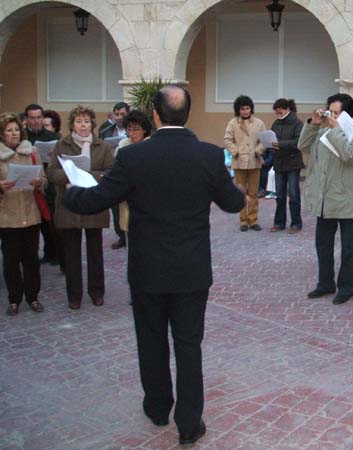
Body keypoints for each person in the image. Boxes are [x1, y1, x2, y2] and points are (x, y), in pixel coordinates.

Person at [63, 85, 245, 446]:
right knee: (189, 345)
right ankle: (189, 423)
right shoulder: (209, 156)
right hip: (191, 270)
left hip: (148, 269)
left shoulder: (133, 157)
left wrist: (71, 193)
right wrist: (237, 191)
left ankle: (158, 407)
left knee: (151, 340)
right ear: (187, 114)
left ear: (156, 116)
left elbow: (97, 199)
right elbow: (233, 203)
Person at [299, 93, 353, 305]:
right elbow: (303, 146)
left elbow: (349, 155)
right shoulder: (323, 131)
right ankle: (325, 283)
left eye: (336, 113)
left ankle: (347, 287)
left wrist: (336, 129)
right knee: (323, 245)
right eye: (331, 112)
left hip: (346, 199)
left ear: (346, 115)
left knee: (348, 249)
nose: (331, 116)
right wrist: (313, 124)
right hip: (324, 199)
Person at [46, 106, 114, 310]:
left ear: (92, 124)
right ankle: (74, 295)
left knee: (95, 252)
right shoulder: (62, 145)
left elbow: (111, 173)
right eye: (79, 121)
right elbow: (51, 172)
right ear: (72, 124)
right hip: (70, 203)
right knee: (72, 254)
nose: (83, 125)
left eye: (86, 121)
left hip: (94, 203)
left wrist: (88, 176)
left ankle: (97, 292)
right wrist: (69, 175)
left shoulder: (103, 146)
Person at [0, 113, 47, 315]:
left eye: (17, 130)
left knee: (31, 259)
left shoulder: (32, 151)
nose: (14, 133)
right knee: (10, 261)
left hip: (31, 214)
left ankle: (33, 297)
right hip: (7, 216)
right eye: (9, 130)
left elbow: (43, 179)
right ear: (2, 134)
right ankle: (14, 299)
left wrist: (39, 182)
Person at [24, 104, 60, 267]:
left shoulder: (52, 137)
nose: (36, 121)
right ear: (27, 119)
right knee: (33, 225)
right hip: (29, 186)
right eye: (32, 118)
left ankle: (53, 253)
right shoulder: (23, 138)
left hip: (49, 185)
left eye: (39, 117)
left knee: (51, 224)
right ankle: (35, 255)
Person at [224, 95, 266, 231]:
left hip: (254, 161)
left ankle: (253, 220)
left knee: (253, 193)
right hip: (239, 162)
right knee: (240, 193)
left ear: (251, 108)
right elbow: (227, 139)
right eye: (242, 109)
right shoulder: (232, 123)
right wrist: (235, 151)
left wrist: (258, 151)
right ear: (238, 110)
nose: (245, 111)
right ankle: (243, 221)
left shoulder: (259, 123)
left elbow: (264, 140)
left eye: (247, 108)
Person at [114, 110, 153, 237]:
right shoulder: (122, 147)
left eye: (136, 129)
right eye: (129, 129)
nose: (132, 133)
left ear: (144, 130)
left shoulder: (152, 147)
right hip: (128, 198)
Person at [269, 98, 304, 234]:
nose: (278, 115)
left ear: (288, 109)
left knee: (294, 194)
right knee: (279, 195)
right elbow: (272, 137)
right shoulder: (276, 123)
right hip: (279, 162)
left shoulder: (297, 123)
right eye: (276, 113)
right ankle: (279, 223)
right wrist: (269, 143)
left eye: (280, 112)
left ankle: (296, 223)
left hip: (293, 163)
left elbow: (299, 142)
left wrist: (281, 144)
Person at [100, 103, 130, 248]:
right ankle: (121, 236)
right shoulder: (105, 131)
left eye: (122, 114)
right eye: (116, 114)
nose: (119, 117)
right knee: (115, 207)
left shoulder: (133, 129)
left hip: (129, 171)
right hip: (112, 170)